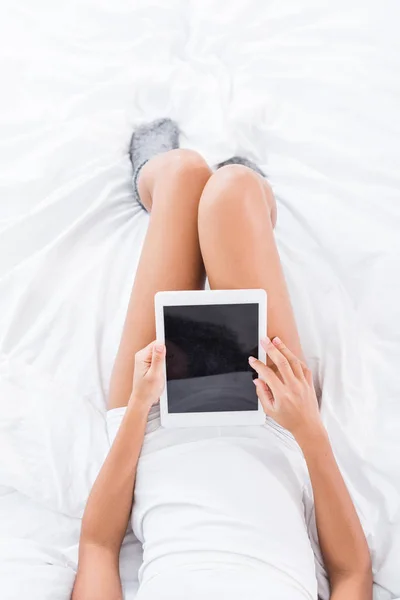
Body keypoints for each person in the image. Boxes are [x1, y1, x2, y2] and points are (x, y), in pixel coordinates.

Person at [71, 119, 372, 600]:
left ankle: (159, 174)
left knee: (183, 176)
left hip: (153, 426)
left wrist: (138, 404)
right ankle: (251, 205)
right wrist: (309, 430)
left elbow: (98, 547)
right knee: (233, 193)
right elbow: (353, 573)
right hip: (277, 422)